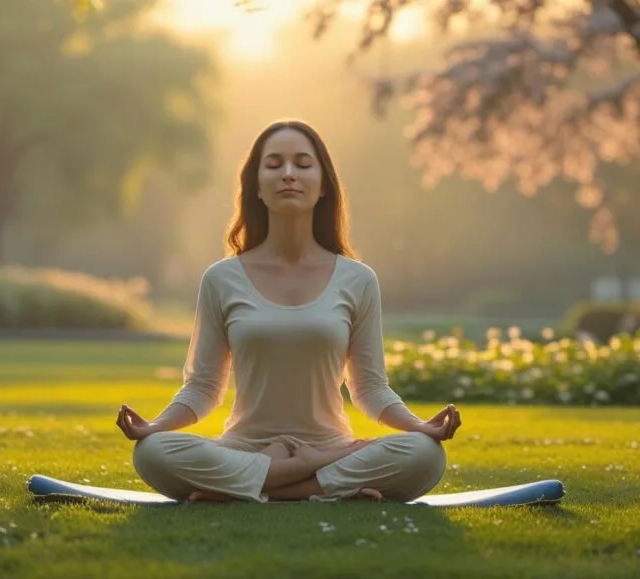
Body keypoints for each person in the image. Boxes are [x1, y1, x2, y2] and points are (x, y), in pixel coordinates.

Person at [115, 119, 462, 503]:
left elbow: (370, 388)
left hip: (328, 444)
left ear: (323, 184)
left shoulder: (358, 280)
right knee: (152, 452)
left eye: (302, 163)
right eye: (275, 164)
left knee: (425, 455)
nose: (289, 174)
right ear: (257, 186)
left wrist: (419, 426)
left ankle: (251, 488)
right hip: (249, 450)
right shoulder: (221, 278)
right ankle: (317, 481)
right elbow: (202, 387)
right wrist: (155, 426)